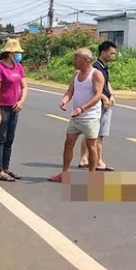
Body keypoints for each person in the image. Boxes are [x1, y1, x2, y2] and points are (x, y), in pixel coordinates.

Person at [49, 48, 105, 183]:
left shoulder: (96, 74)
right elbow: (70, 91)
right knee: (68, 144)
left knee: (91, 146)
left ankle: (92, 176)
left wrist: (83, 108)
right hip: (76, 117)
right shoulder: (76, 74)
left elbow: (98, 95)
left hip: (90, 117)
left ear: (87, 60)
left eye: (76, 58)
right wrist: (65, 100)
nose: (74, 61)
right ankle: (65, 173)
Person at [0, 38, 28, 181]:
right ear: (8, 52)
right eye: (15, 52)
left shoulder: (18, 67)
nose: (17, 54)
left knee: (9, 139)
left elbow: (24, 86)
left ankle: (6, 167)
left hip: (14, 106)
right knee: (0, 138)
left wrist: (21, 101)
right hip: (2, 106)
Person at [78, 40, 118, 171]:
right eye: (111, 53)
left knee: (90, 133)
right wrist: (104, 98)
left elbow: (106, 84)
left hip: (101, 102)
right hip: (99, 105)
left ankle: (84, 159)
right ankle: (99, 161)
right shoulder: (96, 68)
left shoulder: (103, 67)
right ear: (103, 52)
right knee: (98, 135)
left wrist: (111, 94)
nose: (113, 56)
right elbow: (95, 88)